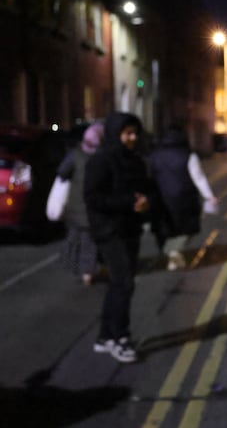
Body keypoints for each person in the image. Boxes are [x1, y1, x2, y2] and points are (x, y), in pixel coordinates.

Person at [84, 112, 154, 363]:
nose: (133, 138)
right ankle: (119, 337)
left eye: (135, 133)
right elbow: (93, 198)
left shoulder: (135, 160)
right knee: (124, 283)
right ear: (115, 134)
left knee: (119, 283)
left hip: (130, 228)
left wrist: (146, 202)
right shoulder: (101, 161)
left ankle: (105, 336)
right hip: (109, 231)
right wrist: (128, 202)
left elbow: (145, 188)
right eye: (127, 133)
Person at [149, 124, 218, 271]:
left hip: (161, 199)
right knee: (186, 229)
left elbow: (150, 177)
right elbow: (198, 178)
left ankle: (171, 254)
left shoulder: (155, 155)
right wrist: (209, 196)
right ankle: (174, 252)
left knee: (166, 230)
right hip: (184, 199)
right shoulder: (189, 155)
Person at [57, 123, 105, 286]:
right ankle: (87, 272)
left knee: (75, 238)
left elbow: (62, 172)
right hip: (94, 207)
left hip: (75, 207)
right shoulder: (102, 157)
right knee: (89, 241)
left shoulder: (75, 155)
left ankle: (74, 265)